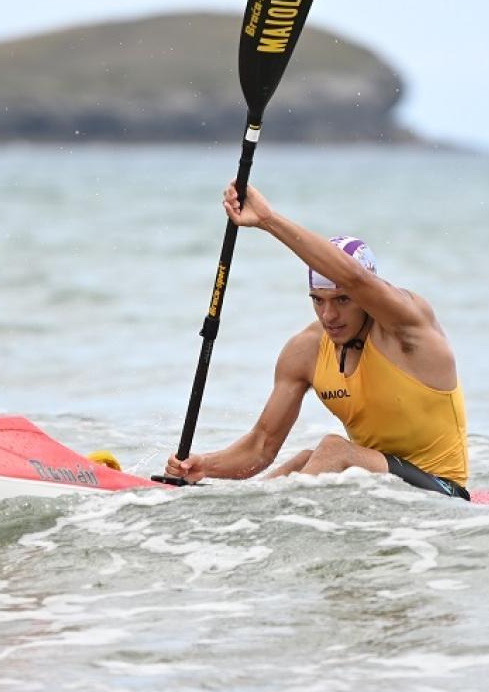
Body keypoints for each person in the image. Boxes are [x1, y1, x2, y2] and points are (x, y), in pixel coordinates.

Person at [163, 182, 469, 499]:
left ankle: (274, 523)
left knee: (333, 450)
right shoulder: (306, 350)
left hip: (444, 491)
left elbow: (356, 278)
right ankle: (234, 517)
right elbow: (261, 447)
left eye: (342, 301)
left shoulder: (409, 329)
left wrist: (268, 220)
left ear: (367, 296)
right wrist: (203, 466)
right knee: (303, 460)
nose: (329, 316)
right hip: (382, 489)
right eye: (318, 300)